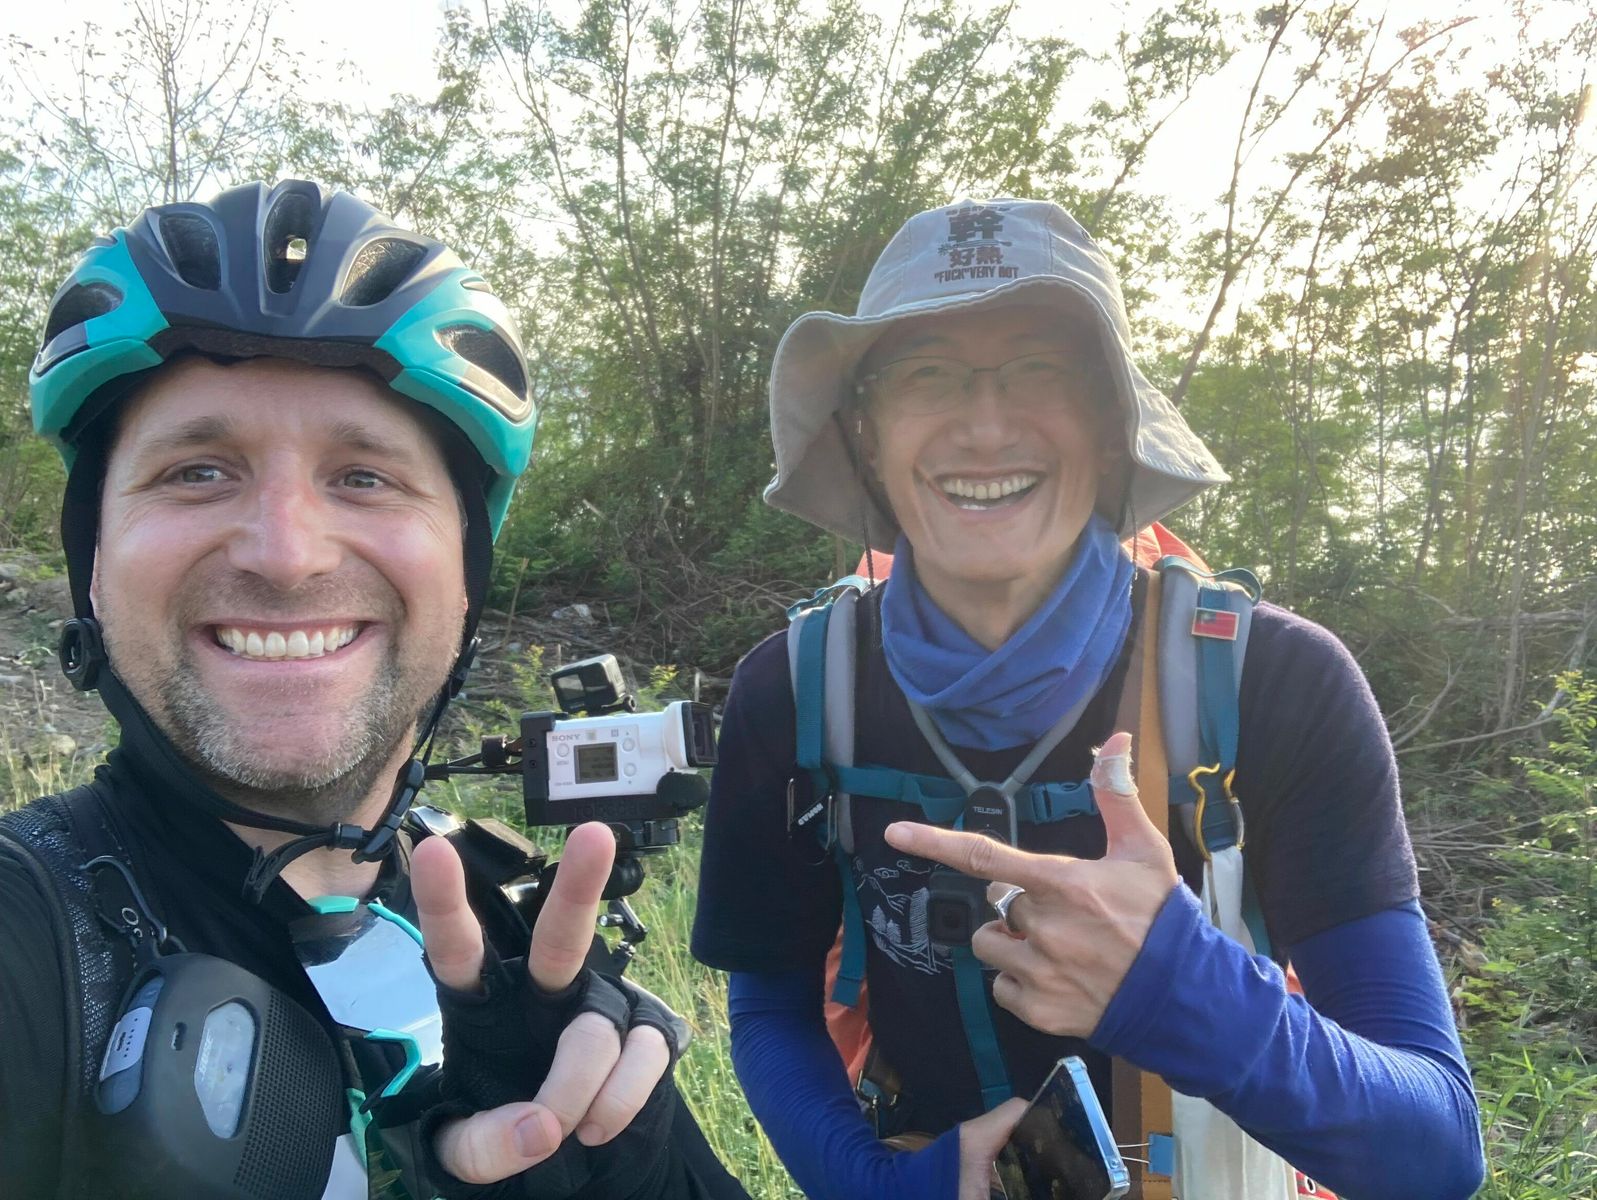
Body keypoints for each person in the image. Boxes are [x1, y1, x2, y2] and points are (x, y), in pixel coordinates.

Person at [691, 198, 1485, 1199]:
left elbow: (1435, 1152)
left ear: (1113, 431)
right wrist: (873, 1185)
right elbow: (768, 1008)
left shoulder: (1276, 682)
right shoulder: (797, 690)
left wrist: (1177, 988)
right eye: (925, 373)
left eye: (1041, 370)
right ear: (866, 435)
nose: (986, 426)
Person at [0, 179, 747, 1200]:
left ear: (465, 575)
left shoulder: (511, 933)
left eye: (365, 477)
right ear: (93, 563)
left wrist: (628, 1172)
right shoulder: (25, 939)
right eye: (197, 472)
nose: (287, 556)